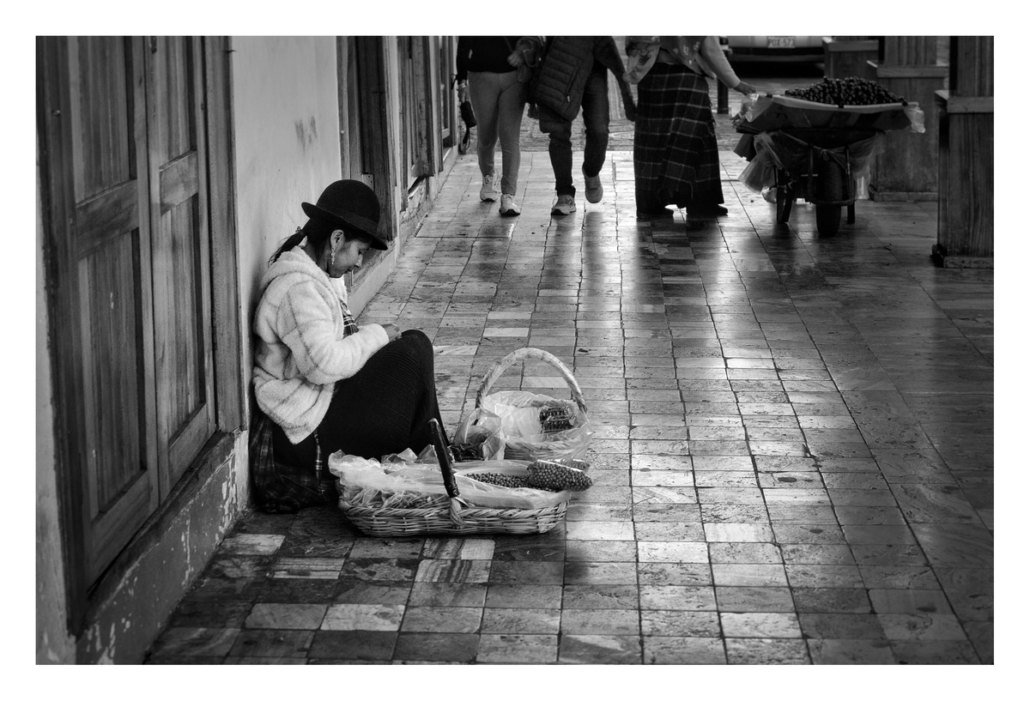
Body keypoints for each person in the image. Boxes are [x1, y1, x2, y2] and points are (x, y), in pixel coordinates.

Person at [251, 179, 447, 512]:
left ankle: (435, 461)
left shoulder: (317, 279)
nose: (358, 263)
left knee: (414, 344)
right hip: (303, 432)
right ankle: (438, 463)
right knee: (411, 354)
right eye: (359, 252)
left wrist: (376, 340)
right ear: (336, 239)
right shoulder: (298, 289)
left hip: (320, 408)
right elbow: (323, 365)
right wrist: (376, 336)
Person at [626, 36, 757, 226]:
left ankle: (650, 203)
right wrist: (736, 83)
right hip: (685, 77)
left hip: (650, 75)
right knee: (696, 136)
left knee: (652, 141)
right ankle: (700, 200)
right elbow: (709, 48)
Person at [533, 36, 636, 215]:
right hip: (563, 59)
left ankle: (591, 171)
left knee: (599, 130)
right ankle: (564, 194)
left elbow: (618, 66)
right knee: (558, 132)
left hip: (594, 66)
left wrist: (628, 102)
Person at [456, 36, 529, 217]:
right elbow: (464, 44)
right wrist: (462, 80)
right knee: (487, 135)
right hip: (481, 76)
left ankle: (508, 195)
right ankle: (488, 177)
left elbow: (534, 36)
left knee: (510, 138)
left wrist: (522, 51)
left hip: (514, 77)